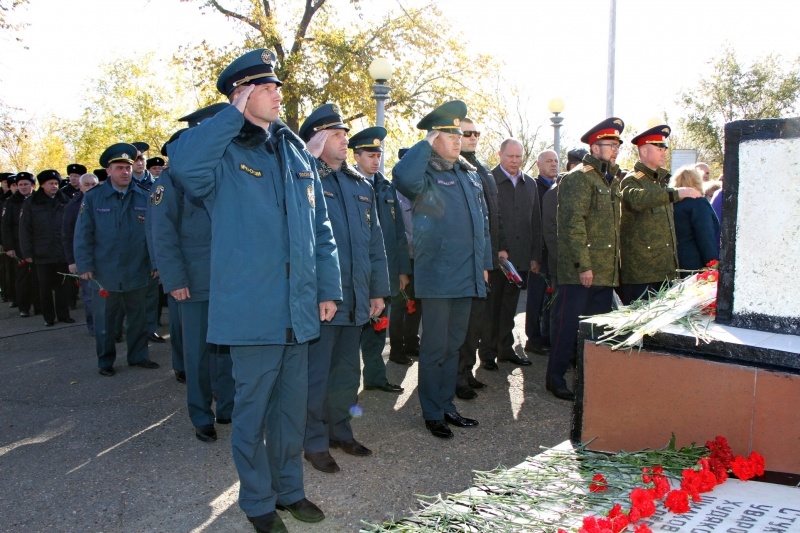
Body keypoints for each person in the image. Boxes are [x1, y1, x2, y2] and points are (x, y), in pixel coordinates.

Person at [169, 49, 341, 533]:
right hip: (252, 310)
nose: (277, 94)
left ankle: (290, 490)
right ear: (241, 93)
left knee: (290, 411)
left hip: (299, 308)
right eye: (265, 88)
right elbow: (183, 168)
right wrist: (230, 115)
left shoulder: (290, 151)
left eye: (276, 87)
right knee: (252, 413)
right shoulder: (224, 152)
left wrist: (327, 288)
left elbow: (319, 227)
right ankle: (257, 500)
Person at [298, 105, 390, 473]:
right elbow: (306, 247)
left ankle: (341, 429)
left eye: (344, 134)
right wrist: (322, 292)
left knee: (348, 372)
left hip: (356, 298)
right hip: (325, 300)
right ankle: (314, 441)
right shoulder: (306, 181)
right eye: (337, 135)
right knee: (316, 374)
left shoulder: (359, 184)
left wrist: (377, 291)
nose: (344, 140)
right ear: (319, 140)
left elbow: (374, 243)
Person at [392, 100, 491, 439]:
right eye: (449, 135)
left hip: (467, 275)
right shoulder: (426, 173)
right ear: (436, 138)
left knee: (454, 345)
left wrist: (485, 265)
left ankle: (447, 405)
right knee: (434, 349)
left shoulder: (467, 172)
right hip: (437, 277)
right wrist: (425, 142)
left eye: (459, 135)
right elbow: (402, 178)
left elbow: (482, 224)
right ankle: (431, 411)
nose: (457, 140)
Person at [151, 110, 235, 442]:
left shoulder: (226, 173)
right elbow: (163, 234)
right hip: (194, 283)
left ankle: (228, 407)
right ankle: (201, 414)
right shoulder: (169, 181)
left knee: (228, 349)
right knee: (198, 354)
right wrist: (174, 280)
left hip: (228, 280)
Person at [549, 118, 625, 402]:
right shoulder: (578, 177)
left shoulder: (611, 179)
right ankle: (555, 378)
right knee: (568, 327)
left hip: (605, 272)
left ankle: (588, 376)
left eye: (617, 144)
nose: (616, 149)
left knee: (596, 330)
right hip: (581, 271)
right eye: (610, 144)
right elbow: (572, 225)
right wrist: (585, 265)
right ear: (594, 147)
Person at [74, 143, 160, 376]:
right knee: (105, 321)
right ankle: (105, 361)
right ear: (108, 171)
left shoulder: (144, 195)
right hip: (105, 271)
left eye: (128, 167)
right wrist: (85, 265)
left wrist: (155, 263)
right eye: (119, 167)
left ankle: (138, 356)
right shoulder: (94, 198)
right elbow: (83, 233)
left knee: (138, 318)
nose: (125, 172)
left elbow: (153, 233)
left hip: (137, 269)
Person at [351, 126, 410, 394]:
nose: (376, 160)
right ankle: (344, 387)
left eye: (378, 155)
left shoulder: (387, 188)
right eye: (370, 155)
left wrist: (401, 271)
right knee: (351, 332)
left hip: (383, 271)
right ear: (356, 156)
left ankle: (375, 377)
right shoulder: (347, 184)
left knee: (378, 327)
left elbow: (398, 235)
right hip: (356, 271)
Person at [619, 125, 701, 304]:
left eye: (664, 148)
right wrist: (677, 193)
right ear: (644, 151)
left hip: (664, 270)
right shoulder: (632, 180)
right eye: (659, 148)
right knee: (639, 327)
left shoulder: (660, 182)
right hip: (641, 273)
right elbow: (637, 199)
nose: (664, 152)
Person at [480, 138, 541, 369]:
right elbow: (486, 221)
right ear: (500, 154)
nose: (514, 161)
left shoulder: (531, 184)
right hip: (496, 257)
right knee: (491, 306)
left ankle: (505, 349)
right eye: (510, 156)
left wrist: (535, 255)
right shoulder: (489, 181)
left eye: (518, 156)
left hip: (521, 256)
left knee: (510, 306)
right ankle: (487, 352)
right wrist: (495, 250)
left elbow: (536, 221)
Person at [456, 117, 504, 399]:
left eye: (476, 133)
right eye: (467, 133)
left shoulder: (480, 168)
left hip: (485, 257)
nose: (473, 137)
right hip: (467, 260)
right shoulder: (453, 168)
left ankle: (467, 371)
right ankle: (457, 377)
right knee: (463, 325)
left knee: (477, 322)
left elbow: (493, 216)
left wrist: (499, 250)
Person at [19, 169, 73, 326]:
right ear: (42, 185)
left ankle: (64, 315)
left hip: (62, 251)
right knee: (45, 287)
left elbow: (71, 225)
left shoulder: (65, 200)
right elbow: (24, 230)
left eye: (56, 183)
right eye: (51, 183)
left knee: (63, 285)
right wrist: (27, 253)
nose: (55, 186)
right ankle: (48, 317)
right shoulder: (31, 202)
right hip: (41, 252)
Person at [388, 149, 422, 364]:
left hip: (421, 258)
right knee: (400, 305)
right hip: (403, 258)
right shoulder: (392, 192)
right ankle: (396, 349)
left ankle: (411, 342)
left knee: (416, 304)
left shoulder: (422, 189)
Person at [524, 149, 559, 357]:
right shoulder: (533, 187)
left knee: (550, 300)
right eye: (548, 161)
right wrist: (534, 256)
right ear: (539, 165)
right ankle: (533, 339)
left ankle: (546, 336)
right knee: (536, 298)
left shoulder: (560, 187)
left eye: (555, 160)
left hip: (553, 253)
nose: (553, 164)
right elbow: (532, 224)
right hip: (538, 253)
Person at [63, 173, 99, 335]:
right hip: (84, 257)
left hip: (104, 256)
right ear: (80, 186)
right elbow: (68, 234)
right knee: (89, 295)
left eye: (93, 184)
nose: (90, 188)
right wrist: (72, 260)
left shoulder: (103, 201)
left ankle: (110, 326)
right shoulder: (72, 206)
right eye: (87, 185)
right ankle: (93, 325)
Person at [2, 172, 40, 317]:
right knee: (22, 277)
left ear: (33, 185)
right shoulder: (11, 202)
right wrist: (9, 247)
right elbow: (6, 227)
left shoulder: (39, 199)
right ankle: (24, 307)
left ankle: (39, 306)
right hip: (18, 245)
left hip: (38, 244)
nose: (23, 187)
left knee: (38, 277)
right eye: (20, 185)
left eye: (26, 184)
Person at [670, 166, 720, 272]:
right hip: (694, 263)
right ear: (697, 181)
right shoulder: (698, 203)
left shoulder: (670, 204)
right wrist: (713, 264)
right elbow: (705, 236)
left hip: (672, 261)